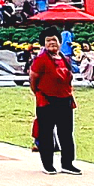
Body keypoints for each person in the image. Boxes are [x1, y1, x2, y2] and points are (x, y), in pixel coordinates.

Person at [27, 30, 75, 173]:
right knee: (46, 133)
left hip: (65, 100)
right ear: (44, 43)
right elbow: (33, 79)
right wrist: (39, 93)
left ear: (60, 42)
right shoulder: (40, 60)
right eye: (48, 40)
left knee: (66, 133)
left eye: (54, 39)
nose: (52, 43)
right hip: (46, 100)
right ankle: (48, 164)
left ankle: (67, 164)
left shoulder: (65, 58)